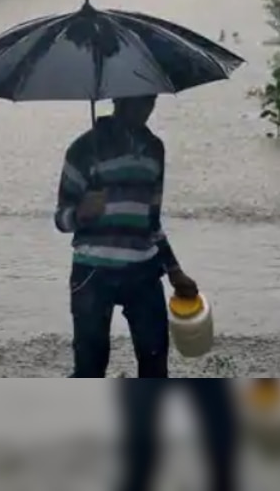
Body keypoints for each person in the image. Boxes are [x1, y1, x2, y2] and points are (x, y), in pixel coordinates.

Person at [54, 94, 197, 378]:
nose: (145, 107)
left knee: (155, 363)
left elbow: (152, 221)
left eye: (150, 100)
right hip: (92, 272)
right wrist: (81, 212)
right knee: (89, 368)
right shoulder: (83, 149)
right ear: (118, 98)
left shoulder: (154, 149)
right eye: (137, 100)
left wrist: (175, 271)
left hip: (143, 270)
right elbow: (61, 218)